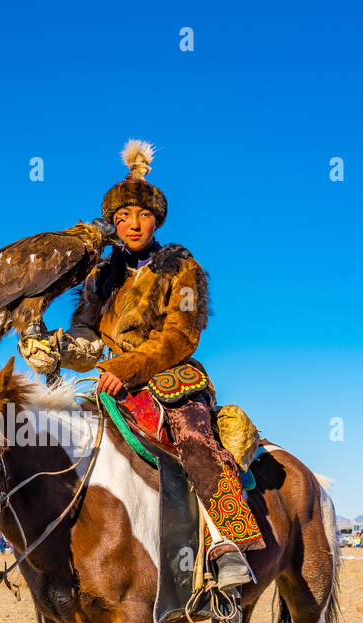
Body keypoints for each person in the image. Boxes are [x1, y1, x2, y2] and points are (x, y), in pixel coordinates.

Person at [39, 140, 264, 592]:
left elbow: (182, 335)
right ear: (114, 223)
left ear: (156, 219)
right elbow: (84, 333)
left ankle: (226, 542)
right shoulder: (100, 277)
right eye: (123, 217)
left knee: (196, 438)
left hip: (170, 376)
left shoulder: (181, 267)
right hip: (105, 381)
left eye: (142, 215)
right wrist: (55, 348)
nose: (132, 224)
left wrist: (127, 366)